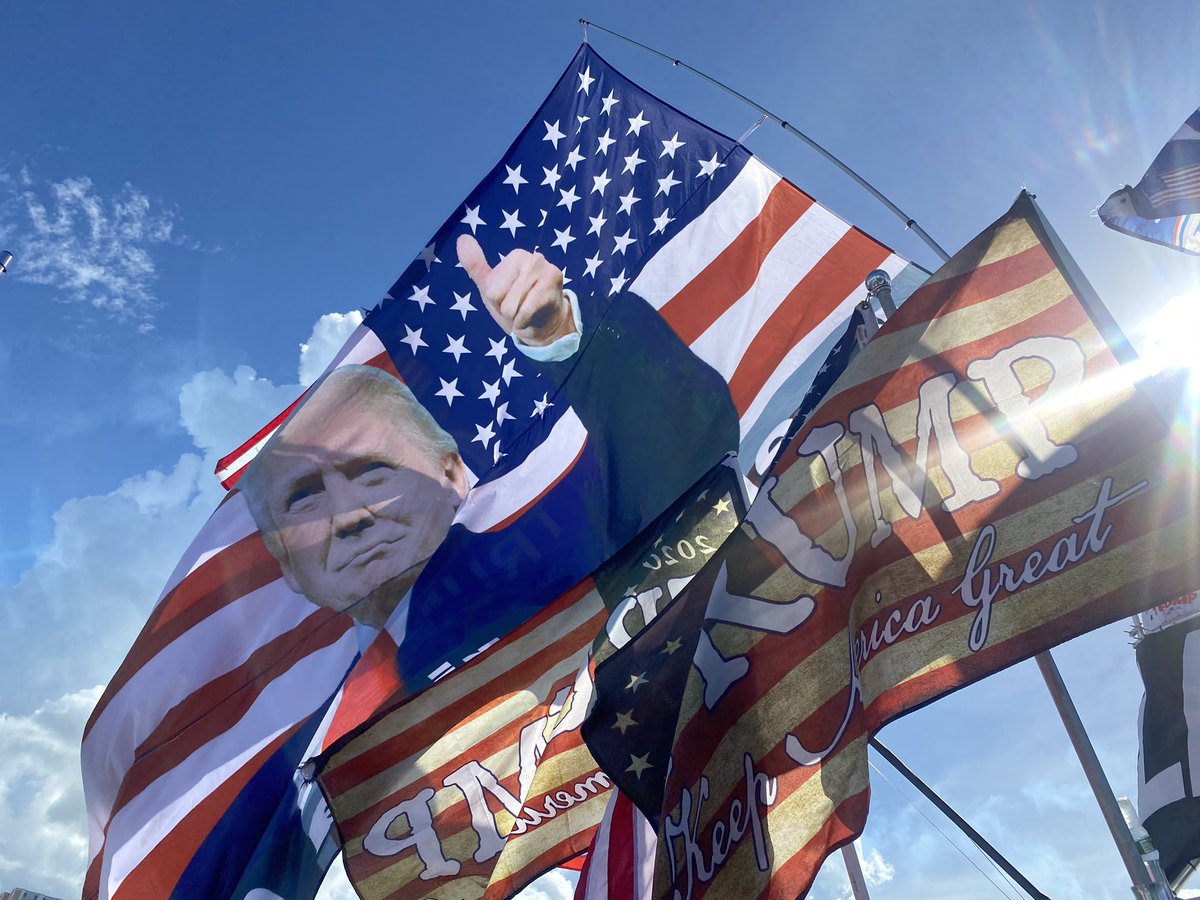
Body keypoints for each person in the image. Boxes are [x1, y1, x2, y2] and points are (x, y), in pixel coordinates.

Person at [242, 234, 740, 680]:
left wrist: (560, 337)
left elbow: (684, 453)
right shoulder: (304, 746)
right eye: (304, 497)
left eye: (373, 470)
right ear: (286, 562)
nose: (349, 516)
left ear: (454, 474)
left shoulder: (566, 544)